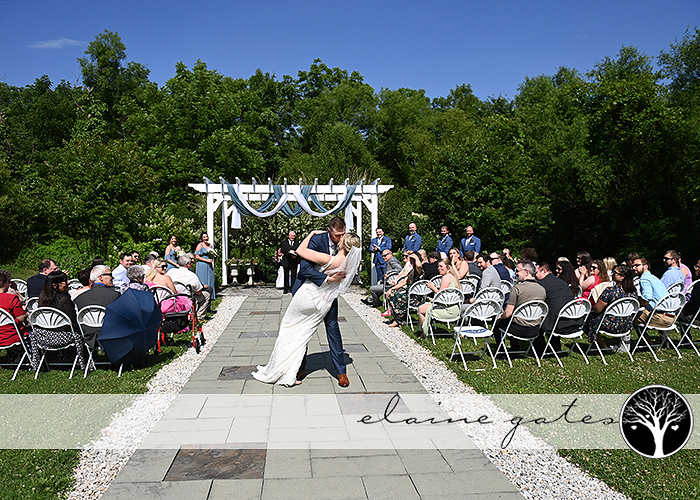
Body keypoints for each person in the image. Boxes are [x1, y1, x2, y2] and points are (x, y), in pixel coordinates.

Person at [253, 228, 361, 388]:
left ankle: (286, 370)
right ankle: (296, 369)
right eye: (338, 234)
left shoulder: (329, 258)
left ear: (344, 244)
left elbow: (300, 251)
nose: (339, 238)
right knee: (302, 335)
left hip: (310, 296)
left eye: (342, 236)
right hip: (324, 300)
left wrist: (311, 233)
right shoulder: (350, 263)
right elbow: (306, 269)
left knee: (291, 331)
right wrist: (329, 280)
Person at [31, 271, 88, 372]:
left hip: (44, 337)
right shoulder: (64, 300)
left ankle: (58, 358)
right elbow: (74, 323)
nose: (68, 282)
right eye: (65, 281)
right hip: (63, 338)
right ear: (54, 285)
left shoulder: (41, 298)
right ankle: (81, 360)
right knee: (79, 331)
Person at [494, 261, 546, 352]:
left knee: (498, 323)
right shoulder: (542, 289)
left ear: (527, 272)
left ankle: (503, 351)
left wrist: (500, 316)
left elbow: (508, 314)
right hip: (535, 328)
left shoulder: (517, 289)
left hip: (518, 329)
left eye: (517, 271)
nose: (515, 273)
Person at [585, 264, 637, 350]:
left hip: (610, 325)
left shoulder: (610, 291)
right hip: (627, 325)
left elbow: (597, 309)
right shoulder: (633, 293)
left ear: (622, 277)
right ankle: (597, 344)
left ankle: (601, 345)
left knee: (589, 318)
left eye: (615, 273)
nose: (612, 274)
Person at [74, 265, 121, 348]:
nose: (112, 277)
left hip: (88, 336)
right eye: (110, 274)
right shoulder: (115, 296)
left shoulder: (79, 299)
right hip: (110, 334)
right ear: (100, 277)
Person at [535, 262, 576, 354]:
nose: (535, 275)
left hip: (557, 324)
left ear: (544, 271)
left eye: (536, 272)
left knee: (534, 317)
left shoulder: (542, 284)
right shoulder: (561, 282)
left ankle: (540, 349)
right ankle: (555, 347)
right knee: (554, 312)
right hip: (573, 321)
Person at [417, 258, 460, 338]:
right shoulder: (454, 277)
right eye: (438, 266)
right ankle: (425, 330)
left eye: (441, 266)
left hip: (447, 310)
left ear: (448, 267)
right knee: (426, 305)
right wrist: (436, 289)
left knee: (420, 309)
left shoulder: (446, 277)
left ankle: (424, 333)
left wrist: (433, 288)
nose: (438, 268)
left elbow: (441, 295)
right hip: (455, 310)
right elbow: (445, 294)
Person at [632, 258, 673, 329]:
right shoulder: (654, 278)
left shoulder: (644, 279)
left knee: (631, 317)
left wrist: (636, 306)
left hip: (661, 317)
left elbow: (647, 297)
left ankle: (641, 337)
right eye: (633, 266)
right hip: (671, 316)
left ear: (646, 266)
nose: (634, 268)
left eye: (637, 265)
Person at [168, 254, 211, 320]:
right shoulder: (191, 275)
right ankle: (199, 317)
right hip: (186, 298)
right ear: (187, 264)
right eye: (191, 262)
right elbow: (198, 292)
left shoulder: (170, 272)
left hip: (171, 297)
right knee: (206, 295)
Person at [385, 253, 423, 328]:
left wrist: (416, 257)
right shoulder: (412, 271)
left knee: (393, 296)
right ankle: (400, 319)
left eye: (413, 260)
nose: (411, 261)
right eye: (411, 259)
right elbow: (404, 282)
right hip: (409, 295)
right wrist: (392, 288)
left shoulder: (419, 271)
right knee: (391, 294)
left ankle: (399, 320)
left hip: (416, 298)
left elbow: (419, 266)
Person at [0, 272, 29, 356]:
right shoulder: (11, 298)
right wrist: (26, 314)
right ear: (4, 284)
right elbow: (21, 318)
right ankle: (31, 359)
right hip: (10, 334)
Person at [195, 232, 216, 300]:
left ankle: (211, 296)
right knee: (203, 279)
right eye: (204, 237)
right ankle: (203, 295)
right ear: (202, 238)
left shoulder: (210, 245)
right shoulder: (200, 245)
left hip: (209, 265)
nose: (206, 238)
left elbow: (213, 254)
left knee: (210, 279)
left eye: (206, 236)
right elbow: (197, 256)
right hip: (202, 265)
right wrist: (206, 260)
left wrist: (211, 258)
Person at [678, 259, 700, 327]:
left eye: (698, 267)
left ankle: (663, 332)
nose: (696, 269)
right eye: (696, 266)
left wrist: (683, 310)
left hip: (697, 318)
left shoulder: (698, 285)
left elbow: (692, 307)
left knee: (674, 312)